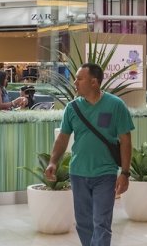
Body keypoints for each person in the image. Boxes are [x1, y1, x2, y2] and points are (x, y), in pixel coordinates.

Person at [45, 64, 134, 246]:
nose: (75, 83)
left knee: (101, 223)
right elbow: (62, 138)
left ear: (94, 82)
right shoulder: (72, 108)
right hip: (78, 173)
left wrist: (125, 173)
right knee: (84, 223)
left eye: (79, 79)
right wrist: (53, 162)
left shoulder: (116, 105)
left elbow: (126, 141)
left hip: (105, 174)